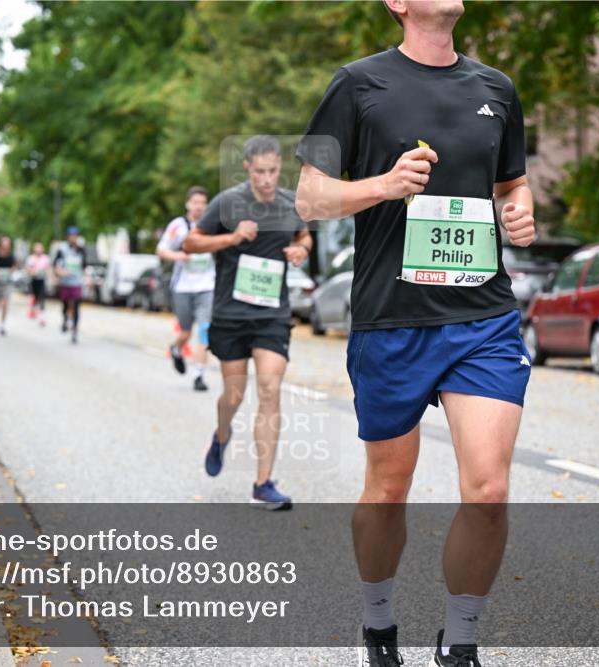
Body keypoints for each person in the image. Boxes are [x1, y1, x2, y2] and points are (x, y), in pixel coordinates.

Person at [295, 2, 537, 665]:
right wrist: (383, 184)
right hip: (392, 316)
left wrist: (519, 214)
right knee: (387, 487)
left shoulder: (496, 89)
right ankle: (378, 624)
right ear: (396, 3)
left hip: (482, 317)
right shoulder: (357, 84)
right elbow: (309, 196)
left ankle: (459, 641)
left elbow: (513, 183)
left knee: (488, 491)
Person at [184, 135, 312, 510]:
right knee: (234, 395)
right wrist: (232, 237)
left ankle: (262, 483)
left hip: (272, 315)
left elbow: (304, 236)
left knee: (269, 388)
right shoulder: (228, 202)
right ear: (247, 168)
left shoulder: (290, 203)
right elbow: (191, 243)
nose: (267, 179)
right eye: (260, 172)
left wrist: (301, 249)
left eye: (272, 171)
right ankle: (222, 434)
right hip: (231, 314)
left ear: (279, 167)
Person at [156, 186, 214, 391]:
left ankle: (199, 375)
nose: (199, 207)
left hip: (207, 286)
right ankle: (176, 348)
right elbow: (161, 250)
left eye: (203, 203)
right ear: (188, 204)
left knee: (205, 329)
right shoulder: (178, 226)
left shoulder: (212, 224)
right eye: (195, 202)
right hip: (183, 287)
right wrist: (178, 256)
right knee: (186, 332)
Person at [52, 227, 85, 344]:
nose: (73, 238)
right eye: (71, 236)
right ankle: (65, 319)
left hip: (77, 282)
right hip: (65, 282)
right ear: (68, 237)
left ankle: (75, 332)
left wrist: (87, 277)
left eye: (75, 236)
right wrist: (59, 272)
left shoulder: (81, 250)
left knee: (76, 305)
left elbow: (84, 266)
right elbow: (56, 265)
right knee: (66, 305)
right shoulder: (62, 250)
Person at [24, 242, 51, 326]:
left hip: (42, 280)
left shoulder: (45, 258)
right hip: (34, 280)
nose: (38, 250)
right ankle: (34, 311)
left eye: (40, 248)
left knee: (42, 297)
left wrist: (48, 275)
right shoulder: (31, 258)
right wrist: (33, 272)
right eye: (37, 248)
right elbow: (28, 268)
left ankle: (42, 317)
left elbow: (48, 268)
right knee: (35, 297)